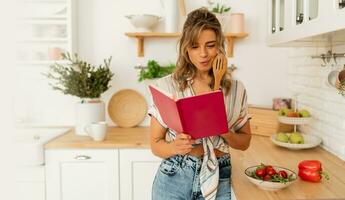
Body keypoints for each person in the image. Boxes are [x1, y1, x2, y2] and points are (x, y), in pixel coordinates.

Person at [148, 8, 252, 200]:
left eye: (210, 45)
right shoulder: (166, 86)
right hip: (174, 177)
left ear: (220, 46)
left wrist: (224, 131)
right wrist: (174, 147)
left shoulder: (236, 89)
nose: (203, 54)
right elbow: (155, 144)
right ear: (186, 49)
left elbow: (245, 142)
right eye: (195, 46)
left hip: (220, 176)